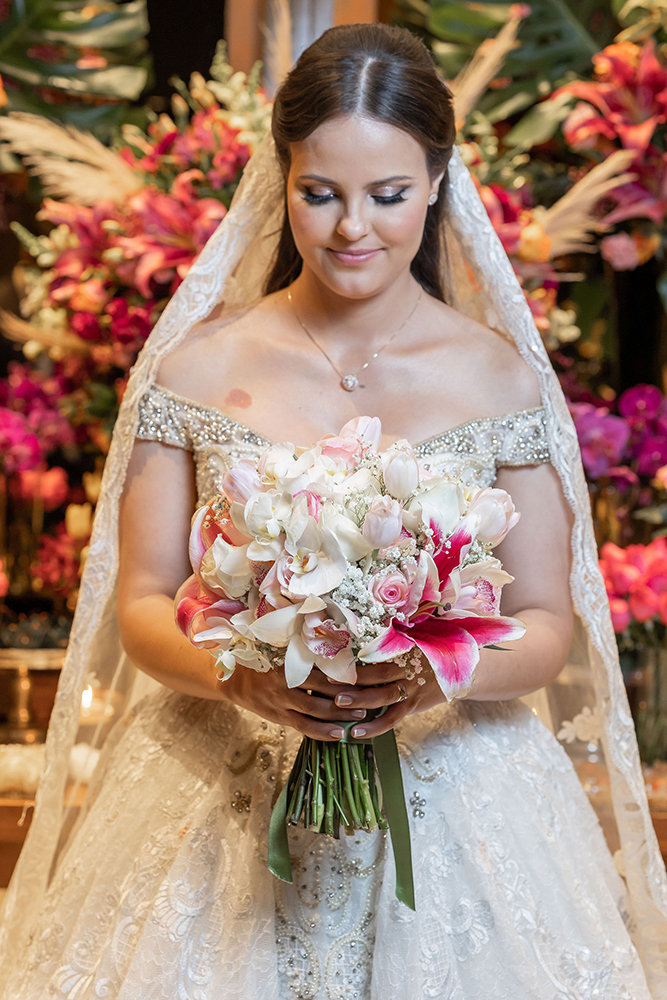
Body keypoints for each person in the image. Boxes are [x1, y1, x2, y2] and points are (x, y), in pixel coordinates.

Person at [1, 23, 666, 1000]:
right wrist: (243, 680)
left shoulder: (497, 378)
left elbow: (543, 622)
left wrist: (430, 676)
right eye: (321, 193)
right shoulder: (197, 368)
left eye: (386, 195)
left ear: (436, 181)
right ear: (283, 180)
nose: (353, 227)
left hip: (456, 784)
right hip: (220, 785)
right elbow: (140, 602)